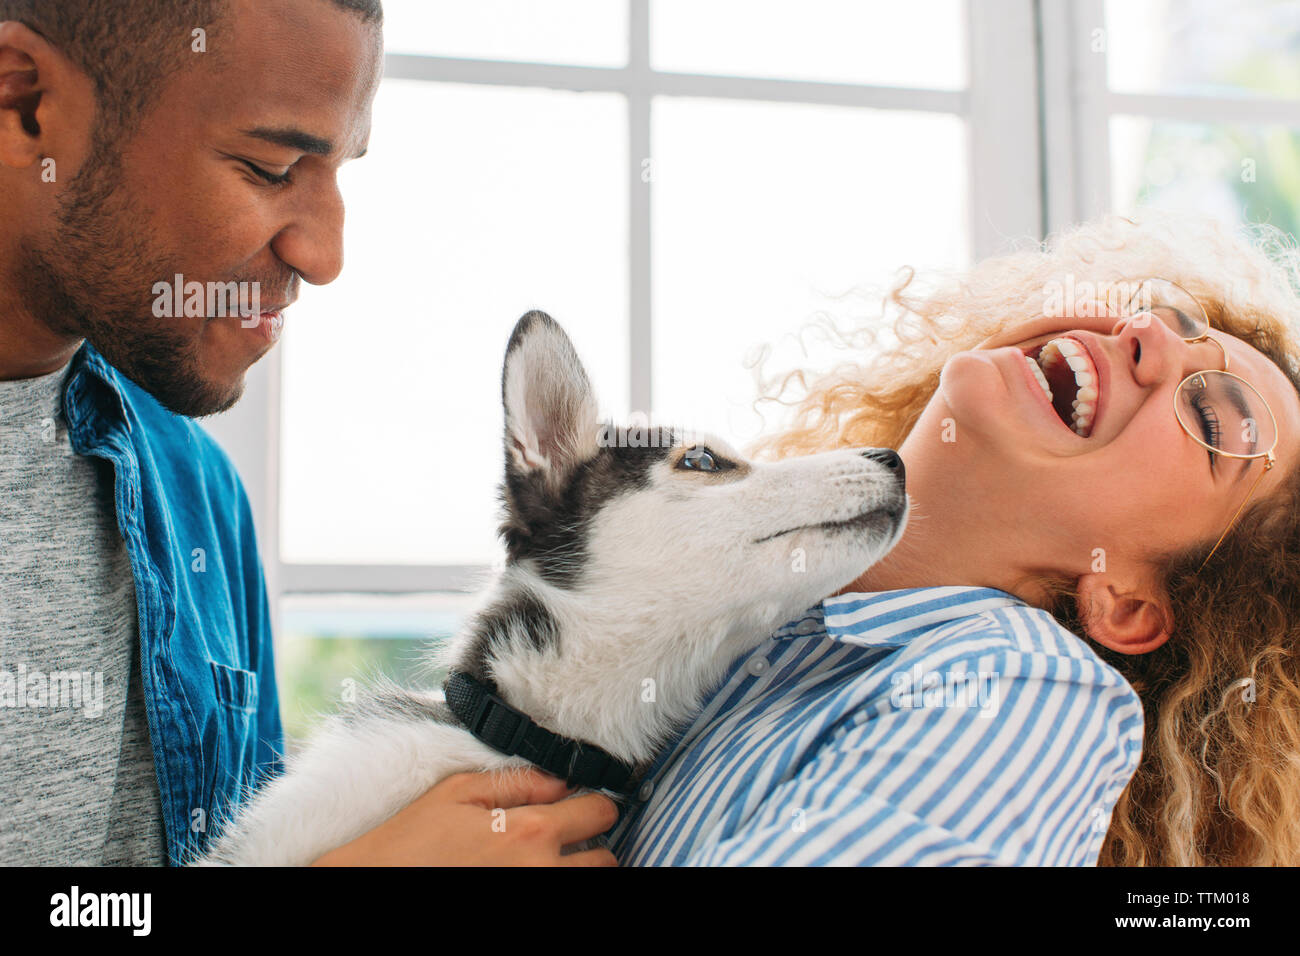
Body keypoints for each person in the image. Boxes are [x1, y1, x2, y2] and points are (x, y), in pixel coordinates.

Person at [0, 0, 616, 866]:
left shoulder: (196, 501)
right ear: (24, 103)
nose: (325, 256)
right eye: (267, 166)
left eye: (339, 172)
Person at [604, 211, 1300, 865]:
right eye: (1175, 318)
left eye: (1214, 421)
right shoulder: (737, 606)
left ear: (1126, 604)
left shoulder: (1026, 689)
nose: (1148, 333)